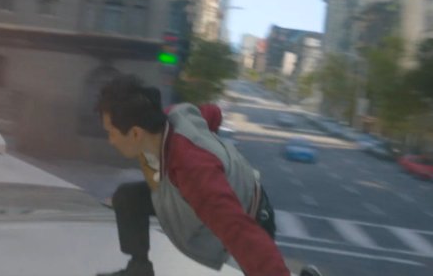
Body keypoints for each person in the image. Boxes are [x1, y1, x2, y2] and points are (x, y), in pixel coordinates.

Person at [95, 74, 290, 276]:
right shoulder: (168, 119)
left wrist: (207, 159)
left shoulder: (193, 170)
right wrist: (208, 144)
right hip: (195, 196)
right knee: (128, 198)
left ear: (135, 133)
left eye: (111, 132)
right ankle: (139, 269)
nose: (110, 141)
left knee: (250, 255)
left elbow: (238, 230)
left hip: (252, 216)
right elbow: (213, 113)